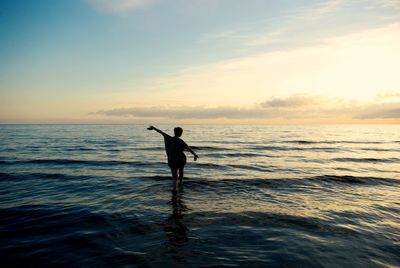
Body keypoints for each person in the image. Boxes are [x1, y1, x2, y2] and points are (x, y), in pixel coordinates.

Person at [147, 126, 198, 191]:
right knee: (181, 171)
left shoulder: (167, 138)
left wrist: (153, 128)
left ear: (174, 132)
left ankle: (174, 189)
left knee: (174, 176)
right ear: (180, 133)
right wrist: (195, 155)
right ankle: (180, 183)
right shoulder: (180, 141)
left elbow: (160, 132)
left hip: (172, 160)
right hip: (181, 160)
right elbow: (188, 148)